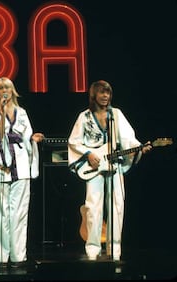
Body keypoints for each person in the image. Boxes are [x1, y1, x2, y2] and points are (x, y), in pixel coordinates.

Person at [68, 80, 152, 261]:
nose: (105, 96)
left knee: (117, 206)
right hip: (95, 167)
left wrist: (139, 148)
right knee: (92, 207)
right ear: (94, 95)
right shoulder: (84, 117)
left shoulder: (116, 114)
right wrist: (89, 153)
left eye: (108, 93)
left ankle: (115, 249)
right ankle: (92, 249)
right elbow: (74, 141)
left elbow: (129, 138)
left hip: (114, 166)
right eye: (102, 93)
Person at [0, 77, 44, 268]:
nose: (4, 90)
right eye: (0, 88)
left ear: (13, 90)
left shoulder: (22, 113)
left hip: (21, 167)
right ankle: (0, 257)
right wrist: (1, 114)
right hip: (1, 168)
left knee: (19, 213)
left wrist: (33, 139)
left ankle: (18, 256)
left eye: (7, 87)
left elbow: (26, 137)